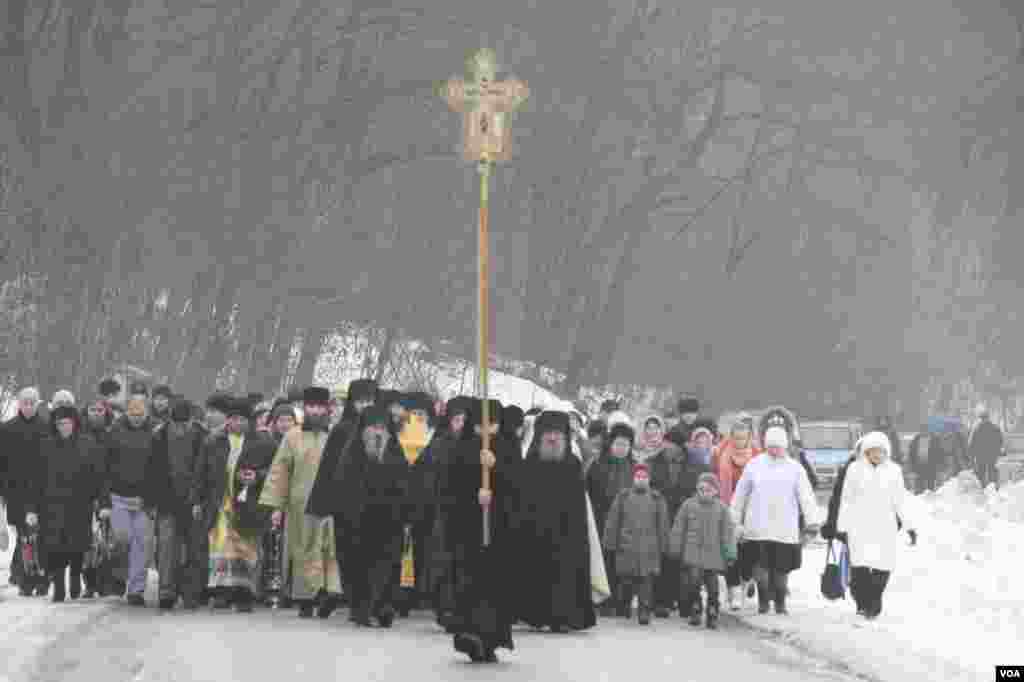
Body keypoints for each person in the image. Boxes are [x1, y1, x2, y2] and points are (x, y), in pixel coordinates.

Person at [442, 398, 520, 663]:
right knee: (469, 585)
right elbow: (449, 490)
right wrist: (472, 496)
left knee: (495, 588)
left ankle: (490, 640)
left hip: (499, 534)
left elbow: (519, 488)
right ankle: (468, 634)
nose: (486, 433)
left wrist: (496, 468)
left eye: (492, 426)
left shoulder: (509, 447)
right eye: (480, 427)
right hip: (469, 534)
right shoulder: (461, 448)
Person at [260, 387, 342, 618]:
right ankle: (307, 598)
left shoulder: (334, 434)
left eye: (319, 406)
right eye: (311, 406)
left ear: (327, 408)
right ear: (305, 408)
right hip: (300, 504)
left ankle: (330, 593)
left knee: (329, 548)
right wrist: (276, 505)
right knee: (303, 549)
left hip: (331, 502)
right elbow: (280, 471)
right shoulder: (292, 436)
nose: (315, 411)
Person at [514, 410, 596, 633]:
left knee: (565, 575)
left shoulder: (572, 465)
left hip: (566, 536)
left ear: (564, 436)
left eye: (557, 434)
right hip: (535, 533)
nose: (552, 438)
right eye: (548, 433)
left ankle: (564, 617)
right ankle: (535, 615)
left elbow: (579, 508)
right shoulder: (529, 464)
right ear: (539, 435)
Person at [194, 397, 276, 612]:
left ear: (250, 421)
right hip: (220, 504)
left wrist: (257, 476)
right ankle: (221, 593)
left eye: (242, 419)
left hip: (248, 505)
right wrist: (196, 501)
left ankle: (244, 595)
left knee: (246, 550)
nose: (237, 423)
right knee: (221, 549)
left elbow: (275, 472)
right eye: (233, 419)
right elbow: (200, 473)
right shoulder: (213, 441)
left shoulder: (264, 443)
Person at [329, 405, 408, 627]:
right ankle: (361, 609)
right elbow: (342, 488)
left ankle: (383, 607)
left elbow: (404, 484)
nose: (377, 432)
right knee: (358, 569)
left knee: (386, 567)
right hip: (356, 525)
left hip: (387, 523)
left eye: (381, 427)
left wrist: (404, 513)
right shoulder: (350, 454)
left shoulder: (394, 452)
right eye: (372, 427)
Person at [731, 426, 821, 615]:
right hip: (757, 529)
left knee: (781, 572)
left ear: (785, 446)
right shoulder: (754, 465)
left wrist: (812, 522)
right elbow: (740, 495)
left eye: (778, 446)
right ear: (765, 445)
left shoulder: (795, 469)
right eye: (771, 446)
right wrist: (734, 519)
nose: (774, 450)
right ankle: (763, 600)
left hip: (784, 529)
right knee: (760, 571)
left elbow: (806, 496)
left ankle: (780, 602)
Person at [26, 406, 110, 603]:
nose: (63, 427)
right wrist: (31, 508)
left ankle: (74, 578)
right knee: (54, 546)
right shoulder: (45, 446)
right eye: (59, 424)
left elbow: (100, 476)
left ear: (74, 424)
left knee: (77, 544)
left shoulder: (87, 444)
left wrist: (104, 503)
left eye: (66, 423)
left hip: (80, 503)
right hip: (51, 505)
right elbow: (35, 480)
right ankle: (58, 585)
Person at [836, 431, 917, 620]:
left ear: (886, 451)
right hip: (859, 527)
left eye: (880, 451)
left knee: (883, 566)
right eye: (872, 451)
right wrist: (843, 527)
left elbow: (900, 501)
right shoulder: (854, 469)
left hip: (884, 527)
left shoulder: (894, 471)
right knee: (860, 568)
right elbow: (846, 500)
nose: (876, 455)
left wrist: (909, 526)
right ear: (865, 451)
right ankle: (862, 604)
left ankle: (875, 599)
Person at [145, 398, 206, 609]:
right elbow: (151, 469)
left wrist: (200, 498)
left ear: (191, 420)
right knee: (167, 547)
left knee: (192, 548)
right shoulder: (159, 434)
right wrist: (151, 502)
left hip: (193, 500)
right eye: (177, 424)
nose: (181, 428)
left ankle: (190, 592)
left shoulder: (201, 435)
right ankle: (166, 592)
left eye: (185, 424)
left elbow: (204, 469)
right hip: (167, 499)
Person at [601, 462, 669, 624]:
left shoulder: (656, 498)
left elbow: (663, 524)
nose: (641, 480)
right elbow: (613, 521)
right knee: (627, 580)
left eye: (644, 477)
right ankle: (624, 604)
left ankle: (644, 610)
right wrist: (610, 542)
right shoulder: (623, 497)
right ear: (633, 478)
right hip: (626, 547)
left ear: (649, 479)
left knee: (646, 581)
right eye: (638, 476)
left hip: (649, 549)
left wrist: (664, 545)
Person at [105, 396, 157, 605]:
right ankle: (118, 575)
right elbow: (106, 464)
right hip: (118, 496)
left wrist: (152, 499)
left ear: (145, 414)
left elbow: (158, 467)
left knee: (141, 546)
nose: (136, 418)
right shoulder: (115, 431)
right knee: (122, 538)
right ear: (127, 412)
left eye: (140, 415)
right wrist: (104, 497)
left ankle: (136, 589)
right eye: (133, 414)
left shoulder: (154, 433)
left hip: (143, 500)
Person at [1, 387, 52, 596]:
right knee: (24, 537)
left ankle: (41, 578)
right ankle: (26, 578)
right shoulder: (7, 429)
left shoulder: (46, 427)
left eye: (32, 402)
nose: (28, 406)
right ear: (19, 404)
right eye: (25, 402)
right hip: (17, 491)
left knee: (41, 536)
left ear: (37, 404)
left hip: (42, 490)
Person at [669, 472, 736, 629]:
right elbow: (679, 528)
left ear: (715, 491)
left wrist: (730, 553)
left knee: (713, 586)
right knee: (694, 582)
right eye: (701, 489)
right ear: (697, 489)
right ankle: (696, 607)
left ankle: (713, 610)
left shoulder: (722, 509)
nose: (705, 492)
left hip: (714, 555)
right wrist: (675, 548)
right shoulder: (688, 505)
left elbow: (727, 533)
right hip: (693, 553)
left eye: (708, 489)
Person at [587, 421, 637, 616]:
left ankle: (621, 599)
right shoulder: (598, 465)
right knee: (604, 560)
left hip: (627, 523)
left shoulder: (635, 467)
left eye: (626, 445)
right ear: (610, 444)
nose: (621, 448)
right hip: (602, 519)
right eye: (618, 444)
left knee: (622, 562)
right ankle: (602, 599)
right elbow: (590, 492)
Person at [715, 419, 761, 609]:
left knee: (749, 552)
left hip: (752, 509)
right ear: (731, 437)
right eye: (736, 438)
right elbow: (714, 478)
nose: (740, 441)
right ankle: (733, 589)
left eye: (743, 438)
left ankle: (745, 582)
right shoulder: (720, 454)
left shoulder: (758, 456)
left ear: (749, 437)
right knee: (730, 550)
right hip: (727, 507)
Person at [968, 406, 1004, 488]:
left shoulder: (976, 428)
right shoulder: (995, 428)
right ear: (988, 417)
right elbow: (1000, 440)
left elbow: (971, 443)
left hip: (980, 455)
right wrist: (998, 450)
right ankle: (994, 487)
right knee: (992, 469)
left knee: (981, 471)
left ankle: (982, 488)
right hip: (992, 454)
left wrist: (971, 455)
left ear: (980, 418)